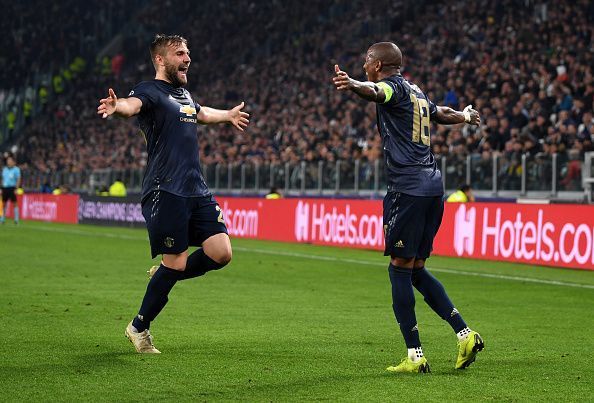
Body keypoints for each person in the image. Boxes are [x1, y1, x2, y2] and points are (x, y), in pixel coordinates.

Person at [332, 42, 483, 373]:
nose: (363, 65)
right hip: (433, 187)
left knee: (399, 269)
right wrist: (465, 117)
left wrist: (352, 85)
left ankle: (415, 355)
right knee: (415, 269)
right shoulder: (416, 91)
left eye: (366, 61)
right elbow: (439, 112)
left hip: (407, 188)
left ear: (379, 64)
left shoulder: (392, 87)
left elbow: (375, 91)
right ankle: (465, 334)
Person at [97, 34, 249, 354]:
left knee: (221, 253)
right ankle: (139, 327)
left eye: (188, 52)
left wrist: (228, 115)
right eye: (180, 53)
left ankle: (165, 275)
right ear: (161, 60)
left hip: (197, 189)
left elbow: (201, 112)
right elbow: (132, 105)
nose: (187, 58)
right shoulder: (149, 91)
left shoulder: (183, 93)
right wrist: (118, 107)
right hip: (165, 189)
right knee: (176, 263)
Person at [1, 155, 21, 224]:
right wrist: (1, 187)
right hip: (5, 188)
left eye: (10, 160)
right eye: (8, 160)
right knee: (3, 203)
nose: (8, 161)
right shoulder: (4, 169)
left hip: (12, 187)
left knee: (15, 203)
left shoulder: (16, 169)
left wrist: (16, 188)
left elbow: (18, 179)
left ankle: (16, 219)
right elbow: (3, 179)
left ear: (13, 162)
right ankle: (2, 218)